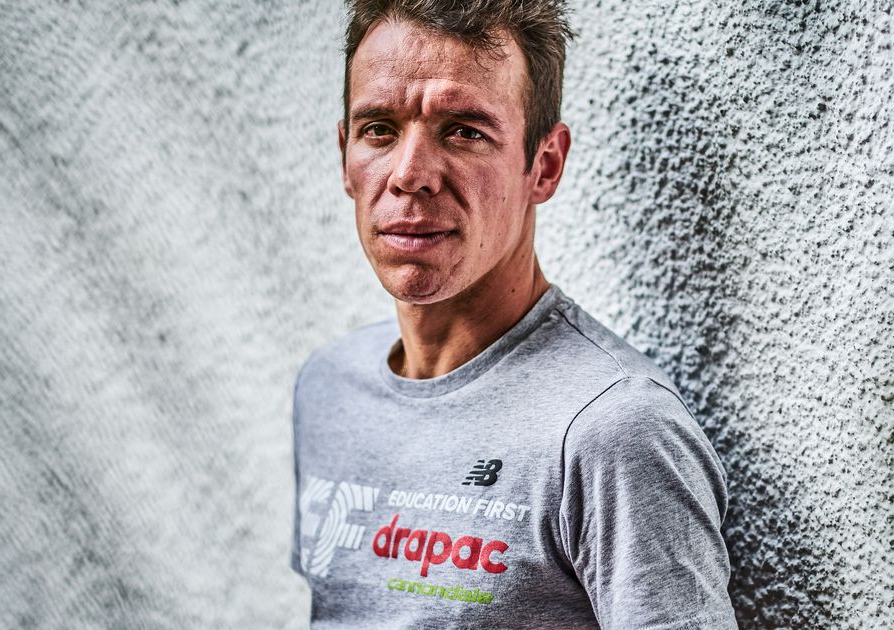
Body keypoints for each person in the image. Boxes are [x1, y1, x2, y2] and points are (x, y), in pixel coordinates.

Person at [290, 1, 738, 627]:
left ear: (544, 166)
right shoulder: (329, 388)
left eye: (464, 131)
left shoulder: (612, 430)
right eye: (380, 130)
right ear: (345, 155)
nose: (410, 175)